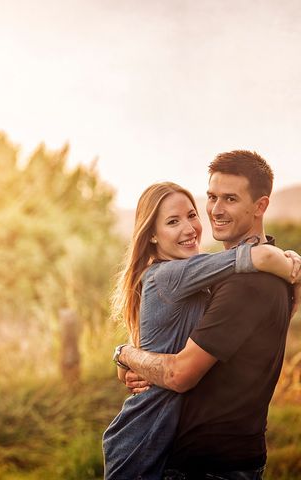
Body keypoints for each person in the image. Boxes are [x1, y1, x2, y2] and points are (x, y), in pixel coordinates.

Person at [114, 151, 301, 479]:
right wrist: (129, 358)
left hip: (209, 464)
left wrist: (126, 354)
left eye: (230, 198)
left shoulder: (247, 285)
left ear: (260, 206)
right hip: (164, 447)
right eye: (212, 197)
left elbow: (178, 375)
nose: (215, 210)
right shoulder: (230, 277)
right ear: (152, 234)